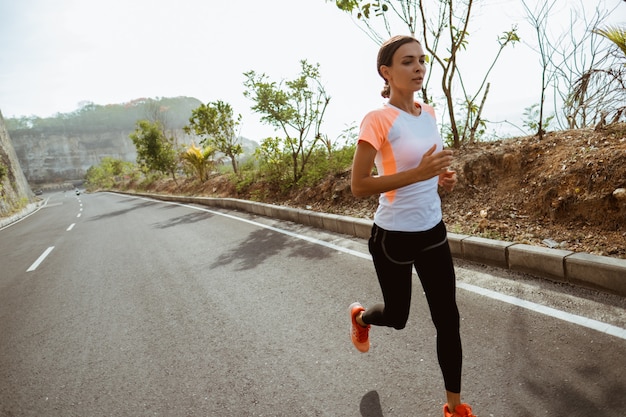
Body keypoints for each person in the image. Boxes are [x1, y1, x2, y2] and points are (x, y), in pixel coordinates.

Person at [348, 35, 475, 417]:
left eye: (421, 60)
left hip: (432, 230)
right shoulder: (378, 119)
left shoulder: (430, 113)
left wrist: (440, 180)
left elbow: (430, 169)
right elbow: (359, 185)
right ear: (386, 72)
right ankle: (362, 317)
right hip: (393, 237)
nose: (418, 67)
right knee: (398, 317)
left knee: (447, 319)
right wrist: (418, 173)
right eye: (407, 62)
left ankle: (454, 407)